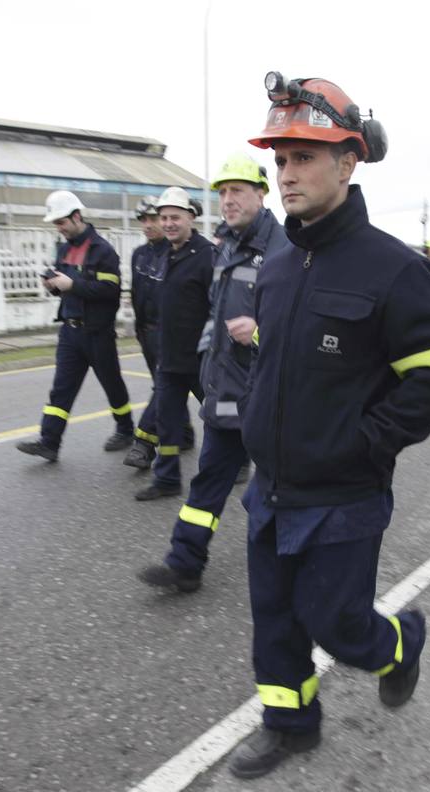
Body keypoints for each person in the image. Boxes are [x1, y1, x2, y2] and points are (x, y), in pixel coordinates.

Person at [226, 73, 430, 779]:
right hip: (272, 487)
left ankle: (401, 644)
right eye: (281, 159)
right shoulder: (275, 263)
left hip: (344, 495)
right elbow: (281, 360)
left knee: (340, 626)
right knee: (274, 622)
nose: (288, 172)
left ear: (348, 162)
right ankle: (290, 725)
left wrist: (367, 442)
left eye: (304, 156)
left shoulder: (393, 268)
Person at [138, 153, 287, 592]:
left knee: (280, 487)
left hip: (268, 396)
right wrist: (207, 360)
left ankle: (294, 567)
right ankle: (184, 563)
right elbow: (215, 313)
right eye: (222, 192)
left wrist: (259, 334)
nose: (228, 200)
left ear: (261, 193)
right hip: (225, 389)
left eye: (237, 191)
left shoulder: (285, 249)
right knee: (207, 485)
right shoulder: (226, 247)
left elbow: (299, 327)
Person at [16, 191, 133, 462]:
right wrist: (54, 287)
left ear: (76, 216)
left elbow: (110, 290)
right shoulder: (64, 248)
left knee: (111, 384)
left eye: (61, 222)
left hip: (97, 333)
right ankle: (49, 442)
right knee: (61, 388)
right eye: (56, 223)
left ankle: (126, 430)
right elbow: (64, 286)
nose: (59, 228)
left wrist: (73, 285)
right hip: (70, 331)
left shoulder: (102, 250)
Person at [133, 186, 214, 500]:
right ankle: (166, 479)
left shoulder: (207, 255)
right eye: (163, 217)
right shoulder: (164, 253)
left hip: (199, 359)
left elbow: (218, 306)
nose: (168, 223)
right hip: (168, 358)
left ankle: (243, 460)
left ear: (190, 218)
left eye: (174, 217)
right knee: (167, 425)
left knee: (222, 416)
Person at [125, 197, 193, 470]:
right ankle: (185, 433)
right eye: (144, 220)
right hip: (147, 333)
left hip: (172, 335)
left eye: (154, 218)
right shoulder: (140, 254)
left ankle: (143, 444)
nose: (149, 225)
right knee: (168, 389)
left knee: (164, 390)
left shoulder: (175, 252)